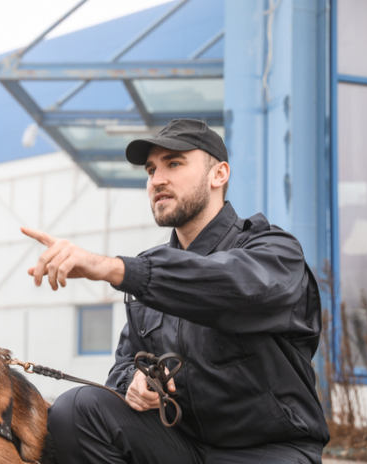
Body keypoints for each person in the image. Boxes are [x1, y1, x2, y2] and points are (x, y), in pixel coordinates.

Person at [21, 119, 330, 464]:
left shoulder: (274, 250)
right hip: (181, 447)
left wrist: (112, 268)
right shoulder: (148, 277)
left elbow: (229, 284)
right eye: (151, 170)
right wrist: (136, 382)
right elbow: (123, 365)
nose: (157, 180)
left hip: (269, 452)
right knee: (77, 410)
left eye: (174, 163)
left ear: (219, 174)